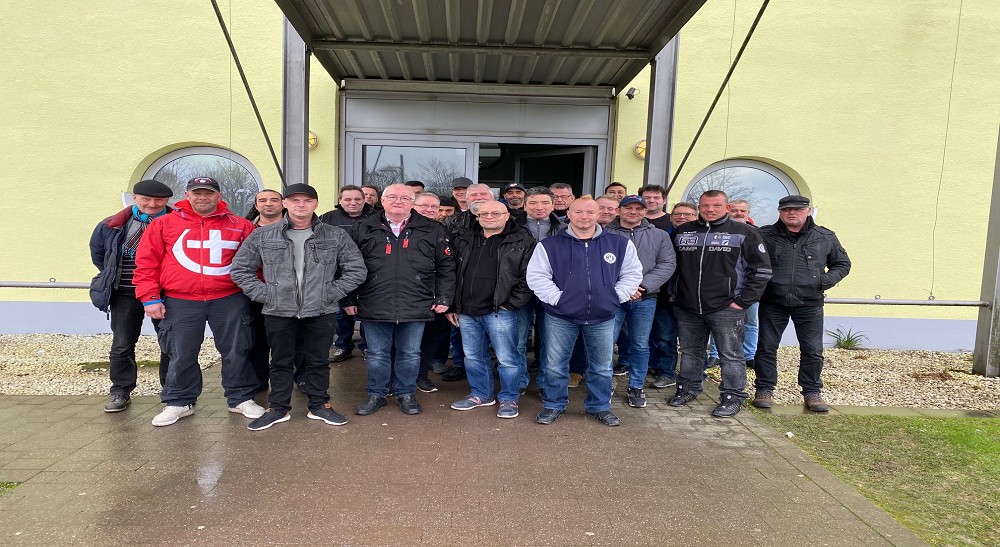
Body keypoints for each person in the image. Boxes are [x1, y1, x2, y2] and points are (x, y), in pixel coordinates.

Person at [231, 184, 367, 430]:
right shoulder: (263, 235)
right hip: (278, 311)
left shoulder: (335, 235)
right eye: (295, 200)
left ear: (316, 204)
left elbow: (356, 269)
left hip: (321, 310)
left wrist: (330, 293)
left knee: (318, 361)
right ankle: (278, 408)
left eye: (307, 200)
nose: (301, 205)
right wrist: (266, 294)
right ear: (285, 204)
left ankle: (319, 405)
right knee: (280, 361)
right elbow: (240, 269)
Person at [134, 177, 265, 427]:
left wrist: (256, 293)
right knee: (180, 352)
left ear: (219, 196)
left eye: (208, 193)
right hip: (180, 299)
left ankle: (241, 398)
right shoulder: (164, 223)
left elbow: (255, 263)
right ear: (187, 195)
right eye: (197, 193)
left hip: (229, 298)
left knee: (237, 349)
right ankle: (179, 401)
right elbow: (147, 262)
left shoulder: (241, 225)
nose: (202, 198)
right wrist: (149, 297)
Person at [526, 196, 643, 426]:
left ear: (599, 215)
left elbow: (632, 274)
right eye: (578, 212)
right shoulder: (549, 245)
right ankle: (554, 405)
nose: (584, 217)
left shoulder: (619, 244)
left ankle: (599, 407)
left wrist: (613, 297)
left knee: (602, 366)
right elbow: (537, 277)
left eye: (590, 212)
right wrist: (559, 300)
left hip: (603, 316)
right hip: (560, 316)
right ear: (568, 214)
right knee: (555, 365)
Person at [345, 184, 456, 416]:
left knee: (410, 354)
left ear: (412, 202)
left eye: (405, 198)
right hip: (374, 301)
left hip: (416, 302)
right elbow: (347, 265)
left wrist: (444, 297)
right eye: (392, 197)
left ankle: (406, 394)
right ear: (382, 201)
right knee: (376, 354)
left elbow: (446, 266)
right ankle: (376, 394)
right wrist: (349, 299)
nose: (398, 201)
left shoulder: (432, 229)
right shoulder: (363, 227)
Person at [667, 190, 771, 418]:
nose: (710, 209)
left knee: (730, 355)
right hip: (687, 306)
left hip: (726, 307)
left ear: (727, 208)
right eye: (705, 205)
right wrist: (673, 294)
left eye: (716, 205)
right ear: (699, 207)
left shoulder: (744, 232)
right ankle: (688, 388)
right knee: (690, 352)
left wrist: (743, 301)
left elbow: (761, 270)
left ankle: (732, 397)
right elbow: (671, 265)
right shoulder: (683, 231)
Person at [752, 195, 851, 412]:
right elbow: (750, 262)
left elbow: (842, 264)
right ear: (780, 212)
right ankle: (764, 389)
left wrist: (822, 281)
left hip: (809, 303)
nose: (792, 213)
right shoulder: (764, 235)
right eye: (786, 209)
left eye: (797, 209)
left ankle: (812, 392)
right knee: (766, 347)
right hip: (773, 301)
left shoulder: (824, 236)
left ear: (808, 211)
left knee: (812, 350)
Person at [90, 179, 174, 412]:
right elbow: (100, 255)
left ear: (167, 200)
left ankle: (173, 392)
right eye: (146, 199)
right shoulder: (111, 225)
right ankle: (120, 391)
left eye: (158, 200)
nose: (152, 204)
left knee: (171, 344)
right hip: (125, 292)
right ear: (135, 198)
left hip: (166, 293)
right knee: (122, 344)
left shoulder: (177, 222)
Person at [448, 201, 536, 418]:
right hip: (467, 310)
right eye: (484, 213)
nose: (489, 216)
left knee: (507, 359)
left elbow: (529, 276)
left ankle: (509, 398)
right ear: (477, 217)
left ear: (507, 215)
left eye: (495, 213)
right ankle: (481, 394)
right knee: (473, 357)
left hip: (500, 310)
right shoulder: (465, 238)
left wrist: (511, 303)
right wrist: (452, 305)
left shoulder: (522, 240)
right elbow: (451, 272)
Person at [604, 195, 676, 408]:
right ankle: (604, 384)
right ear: (619, 210)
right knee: (606, 343)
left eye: (638, 208)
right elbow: (598, 265)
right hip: (612, 297)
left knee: (640, 344)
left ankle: (636, 386)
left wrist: (642, 286)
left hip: (645, 297)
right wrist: (623, 289)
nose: (633, 212)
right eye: (628, 208)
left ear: (645, 212)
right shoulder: (604, 233)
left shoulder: (660, 235)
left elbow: (667, 264)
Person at [320, 185, 376, 363]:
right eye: (348, 199)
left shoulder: (377, 217)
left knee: (369, 313)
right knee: (341, 314)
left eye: (358, 199)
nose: (353, 203)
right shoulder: (327, 218)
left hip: (371, 273)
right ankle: (343, 346)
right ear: (340, 201)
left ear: (364, 200)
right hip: (337, 274)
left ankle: (368, 347)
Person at [647, 202, 699, 389]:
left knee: (689, 340)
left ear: (696, 217)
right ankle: (663, 371)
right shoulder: (662, 236)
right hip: (662, 294)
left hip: (689, 296)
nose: (682, 217)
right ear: (670, 217)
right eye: (677, 214)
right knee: (661, 336)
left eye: (688, 214)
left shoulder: (701, 238)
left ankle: (693, 375)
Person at [707, 198, 760, 368]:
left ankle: (749, 355)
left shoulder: (756, 234)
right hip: (723, 289)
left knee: (751, 323)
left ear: (748, 213)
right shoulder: (718, 233)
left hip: (750, 288)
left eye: (742, 211)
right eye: (735, 210)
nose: (738, 213)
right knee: (717, 323)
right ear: (728, 210)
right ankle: (715, 354)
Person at [246, 189, 285, 391]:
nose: (268, 204)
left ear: (283, 204)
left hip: (289, 293)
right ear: (256, 205)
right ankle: (259, 380)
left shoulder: (298, 227)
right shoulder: (246, 229)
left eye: (273, 200)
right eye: (262, 200)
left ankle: (299, 378)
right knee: (258, 340)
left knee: (292, 340)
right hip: (256, 293)